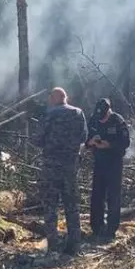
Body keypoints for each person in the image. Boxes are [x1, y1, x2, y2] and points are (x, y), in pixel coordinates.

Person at [34, 87, 87, 254]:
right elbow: (84, 137)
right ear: (66, 97)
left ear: (54, 98)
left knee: (51, 206)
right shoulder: (78, 113)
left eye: (50, 96)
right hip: (70, 167)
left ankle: (53, 246)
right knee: (72, 206)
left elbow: (38, 139)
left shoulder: (50, 115)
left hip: (51, 168)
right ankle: (75, 245)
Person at [85, 97, 130, 241]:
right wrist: (91, 142)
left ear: (109, 111)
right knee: (97, 195)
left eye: (103, 117)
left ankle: (111, 229)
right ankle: (96, 227)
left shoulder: (118, 121)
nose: (101, 120)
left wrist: (108, 145)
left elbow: (125, 142)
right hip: (99, 162)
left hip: (114, 163)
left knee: (113, 196)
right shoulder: (94, 119)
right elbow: (85, 140)